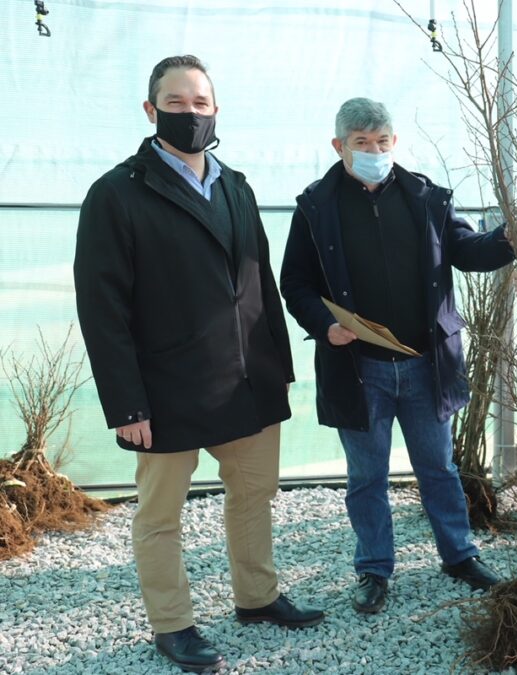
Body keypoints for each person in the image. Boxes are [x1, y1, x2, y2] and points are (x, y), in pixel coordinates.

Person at [73, 55, 323, 673]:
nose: (190, 113)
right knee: (160, 517)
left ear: (216, 109)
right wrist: (126, 405)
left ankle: (257, 598)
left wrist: (277, 369)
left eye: (200, 103)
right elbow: (102, 309)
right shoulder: (117, 193)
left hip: (247, 381)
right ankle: (173, 624)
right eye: (176, 103)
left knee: (254, 496)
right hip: (165, 389)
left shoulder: (235, 184)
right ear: (150, 108)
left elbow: (259, 281)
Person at [279, 97, 515, 615]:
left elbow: (469, 252)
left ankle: (459, 555)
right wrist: (325, 326)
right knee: (367, 476)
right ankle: (374, 569)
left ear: (395, 143)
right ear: (338, 146)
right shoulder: (317, 207)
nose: (374, 152)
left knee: (440, 468)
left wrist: (509, 238)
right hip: (358, 366)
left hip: (426, 364)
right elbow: (293, 281)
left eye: (382, 142)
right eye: (362, 144)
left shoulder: (425, 197)